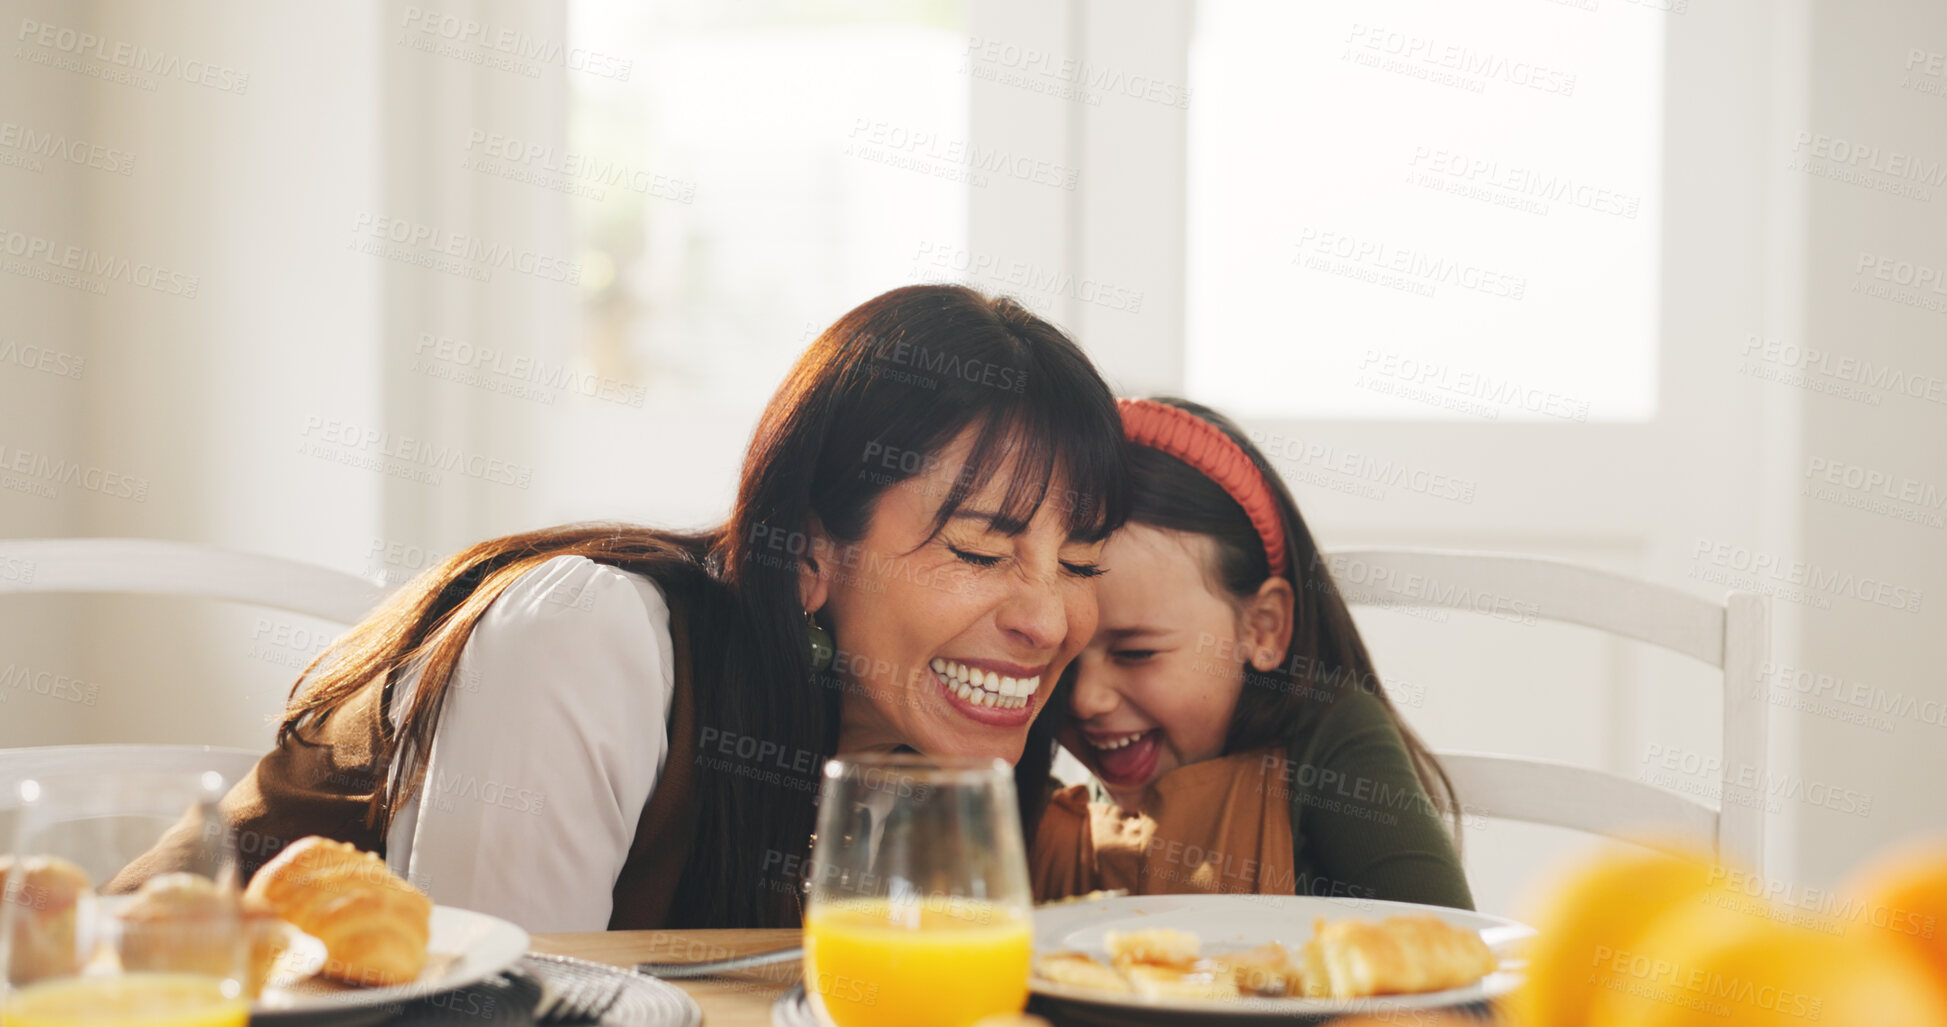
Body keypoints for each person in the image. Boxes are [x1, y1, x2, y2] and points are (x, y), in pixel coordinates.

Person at [114, 285, 1131, 932]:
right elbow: (507, 1007)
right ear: (810, 552)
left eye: (1080, 561)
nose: (1046, 619)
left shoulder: (907, 749)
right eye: (981, 548)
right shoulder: (588, 639)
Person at [1029, 397, 1473, 909]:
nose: (1086, 700)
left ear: (1262, 628)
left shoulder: (1331, 742)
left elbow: (1450, 964)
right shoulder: (1056, 808)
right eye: (1062, 654)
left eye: (1136, 653)